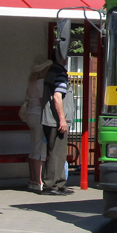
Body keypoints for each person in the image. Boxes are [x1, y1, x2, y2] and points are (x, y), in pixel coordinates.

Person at [41, 55, 73, 195]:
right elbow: (57, 96)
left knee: (58, 153)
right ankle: (51, 185)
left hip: (50, 119)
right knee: (57, 153)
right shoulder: (60, 74)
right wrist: (62, 119)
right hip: (55, 120)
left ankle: (59, 183)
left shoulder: (51, 72)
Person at [24, 55, 52, 192]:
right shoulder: (41, 82)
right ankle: (38, 181)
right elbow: (43, 102)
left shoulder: (31, 81)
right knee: (39, 150)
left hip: (30, 115)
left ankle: (32, 179)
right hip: (39, 116)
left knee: (33, 148)